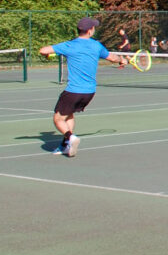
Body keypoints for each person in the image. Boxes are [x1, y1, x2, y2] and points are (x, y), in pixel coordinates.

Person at [39, 17, 125, 157]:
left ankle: (69, 137)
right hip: (89, 92)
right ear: (90, 30)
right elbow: (112, 58)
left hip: (73, 91)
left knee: (58, 119)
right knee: (69, 114)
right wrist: (122, 60)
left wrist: (52, 52)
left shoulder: (69, 45)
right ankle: (65, 145)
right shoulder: (97, 46)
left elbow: (43, 50)